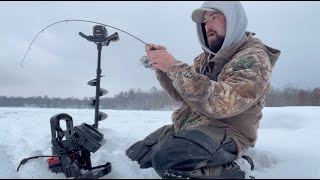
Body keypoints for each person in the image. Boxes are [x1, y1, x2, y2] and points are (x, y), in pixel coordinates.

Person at [126, 1, 281, 179]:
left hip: (228, 133)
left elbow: (223, 104)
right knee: (135, 156)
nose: (207, 25)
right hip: (191, 127)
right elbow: (183, 95)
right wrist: (164, 69)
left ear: (234, 21)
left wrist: (175, 67)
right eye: (205, 21)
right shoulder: (204, 60)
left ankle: (238, 170)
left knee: (168, 160)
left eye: (214, 17)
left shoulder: (253, 58)